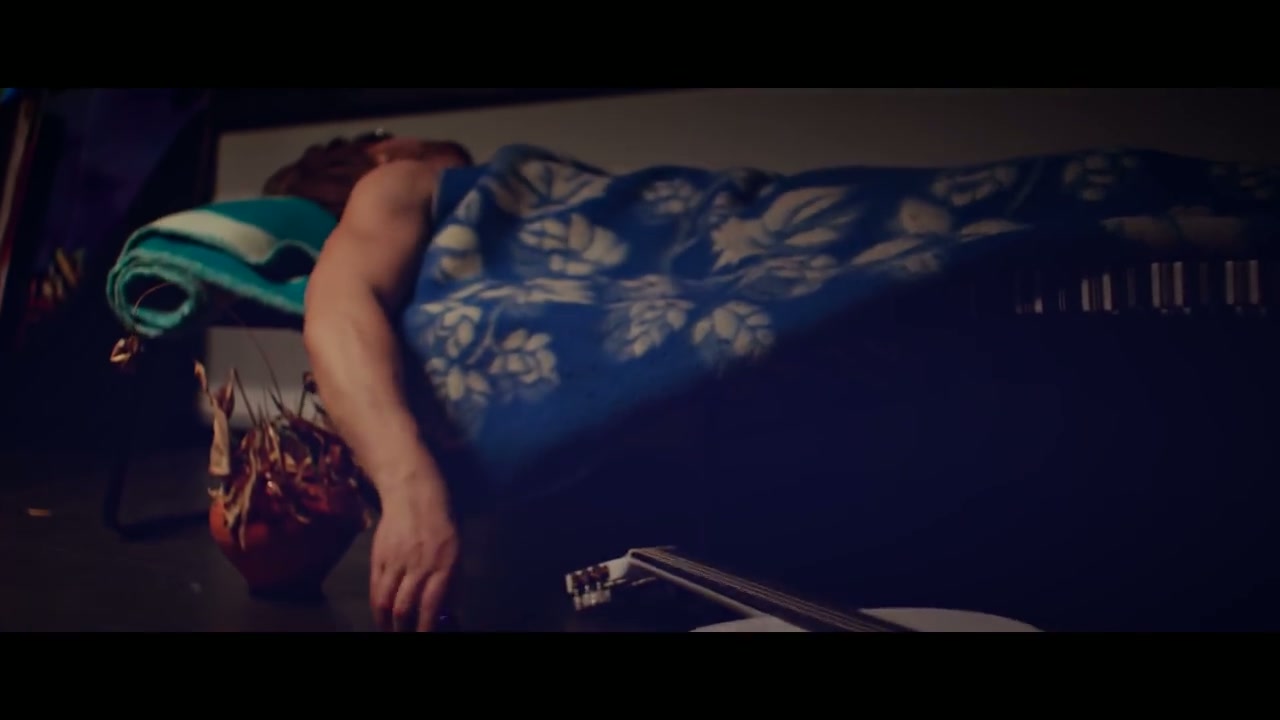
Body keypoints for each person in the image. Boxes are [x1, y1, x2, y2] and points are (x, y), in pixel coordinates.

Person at [266, 131, 475, 632]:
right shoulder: (395, 182)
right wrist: (410, 493)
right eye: (380, 135)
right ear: (378, 155)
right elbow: (338, 311)